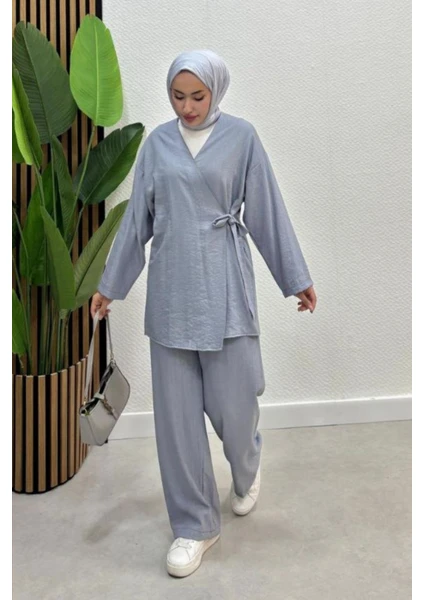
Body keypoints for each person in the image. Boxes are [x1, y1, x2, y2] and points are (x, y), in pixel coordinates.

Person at [90, 49, 317, 578]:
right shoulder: (157, 145)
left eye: (197, 96)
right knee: (177, 424)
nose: (187, 107)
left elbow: (267, 211)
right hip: (171, 296)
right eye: (177, 96)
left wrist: (296, 277)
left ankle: (247, 463)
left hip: (226, 289)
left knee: (235, 409)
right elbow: (137, 223)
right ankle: (194, 525)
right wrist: (110, 286)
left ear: (216, 91)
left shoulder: (242, 138)